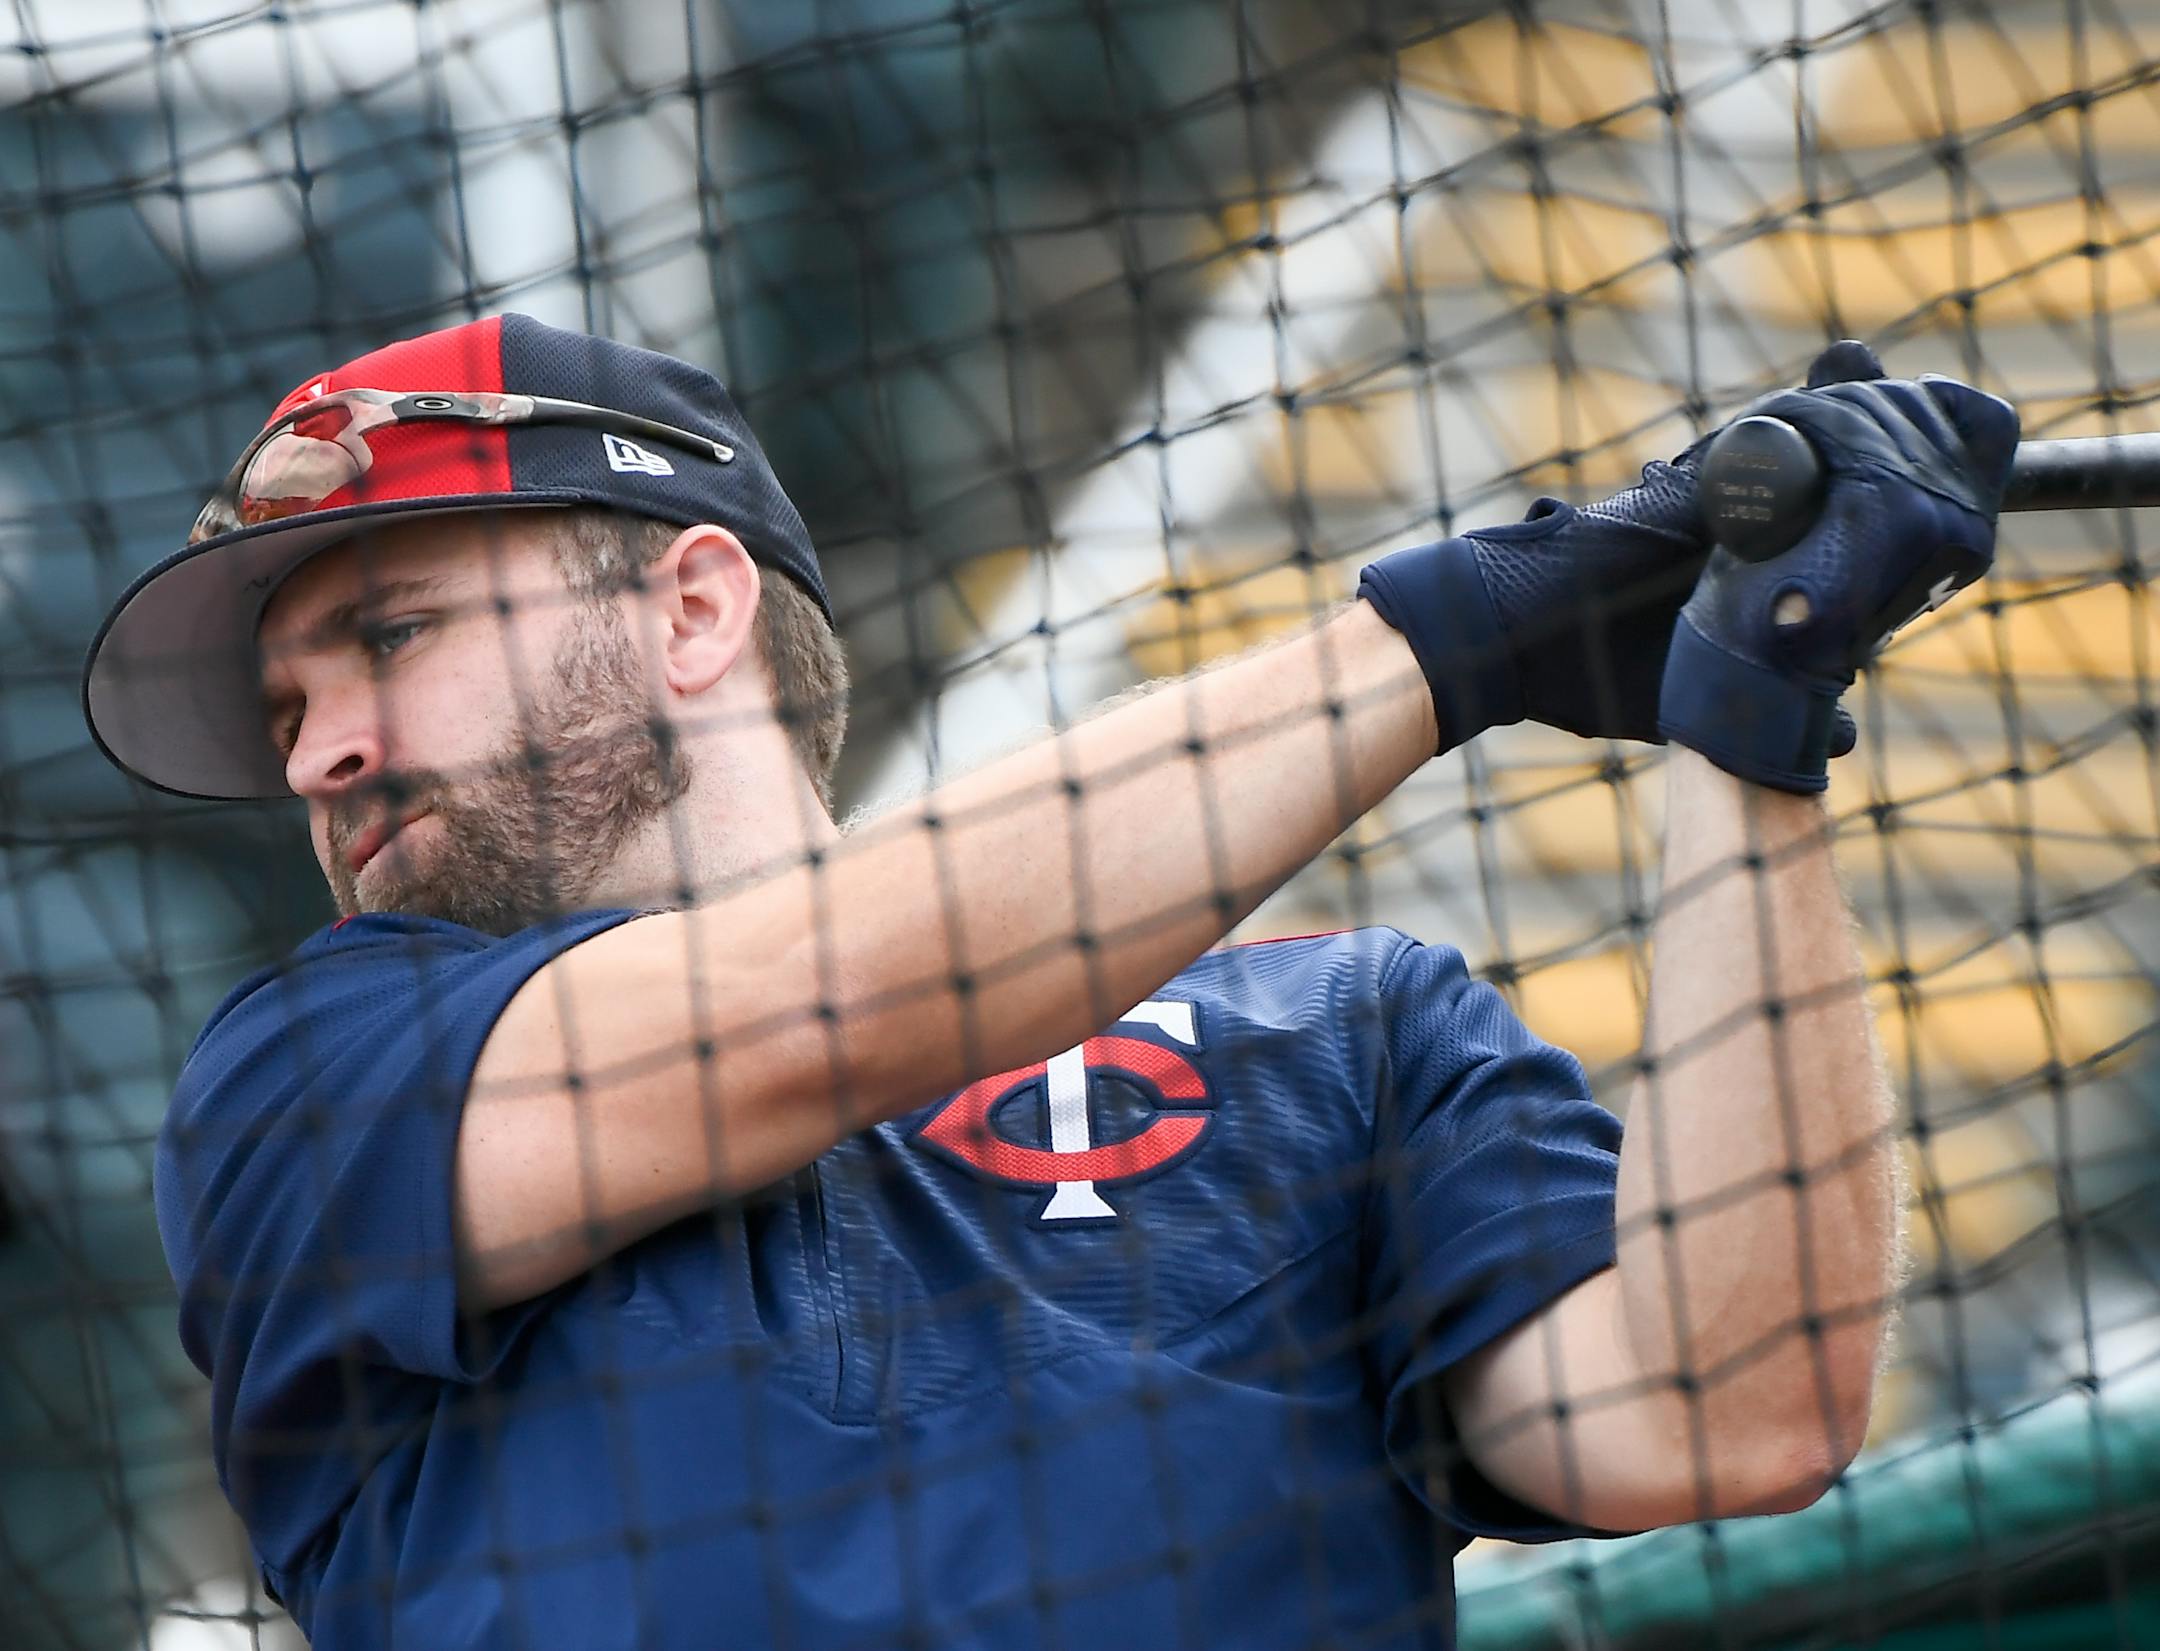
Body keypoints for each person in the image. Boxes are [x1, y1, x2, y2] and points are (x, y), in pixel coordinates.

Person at [84, 314, 2018, 1650]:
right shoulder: (300, 1098)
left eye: (389, 635)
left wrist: (1751, 721)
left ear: (692, 610)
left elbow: (1729, 1414)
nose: (322, 754)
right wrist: (1457, 634)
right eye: (288, 710)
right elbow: (809, 1009)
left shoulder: (1340, 1039)